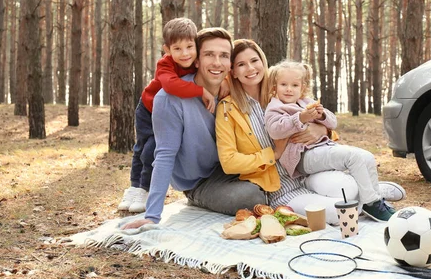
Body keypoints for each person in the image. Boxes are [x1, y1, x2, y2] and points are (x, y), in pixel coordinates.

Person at [216, 39, 371, 225]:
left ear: (263, 62)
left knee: (349, 188)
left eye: (254, 60)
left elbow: (326, 129)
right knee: (338, 211)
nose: (250, 68)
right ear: (232, 71)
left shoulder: (283, 91)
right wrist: (273, 154)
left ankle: (371, 192)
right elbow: (229, 162)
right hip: (281, 189)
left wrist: (322, 130)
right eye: (241, 64)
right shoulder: (227, 109)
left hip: (309, 173)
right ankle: (371, 198)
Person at [122, 28, 263, 230]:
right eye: (209, 55)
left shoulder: (233, 90)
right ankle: (198, 199)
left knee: (275, 180)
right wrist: (152, 216)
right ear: (196, 60)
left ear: (230, 64)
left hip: (234, 166)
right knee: (252, 197)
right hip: (200, 182)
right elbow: (164, 156)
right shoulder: (169, 98)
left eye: (224, 56)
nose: (217, 62)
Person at [264, 60, 403, 222]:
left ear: (302, 87)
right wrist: (300, 118)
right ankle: (370, 203)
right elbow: (275, 129)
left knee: (367, 157)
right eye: (283, 84)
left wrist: (322, 116)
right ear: (275, 86)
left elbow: (333, 122)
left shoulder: (306, 102)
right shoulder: (275, 108)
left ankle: (375, 197)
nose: (289, 89)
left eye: (294, 85)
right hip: (302, 157)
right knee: (353, 157)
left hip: (322, 149)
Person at [118, 18, 229, 213]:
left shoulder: (196, 62)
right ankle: (139, 187)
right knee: (145, 148)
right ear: (167, 50)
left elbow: (216, 70)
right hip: (149, 107)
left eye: (189, 47)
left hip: (170, 112)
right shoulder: (165, 65)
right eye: (177, 48)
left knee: (149, 149)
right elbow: (170, 86)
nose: (185, 53)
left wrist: (225, 81)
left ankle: (140, 187)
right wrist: (200, 91)